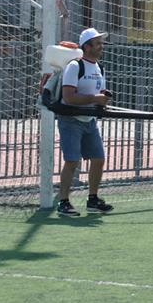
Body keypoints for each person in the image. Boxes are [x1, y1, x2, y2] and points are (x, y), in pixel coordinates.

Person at [55, 28, 114, 217]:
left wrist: (102, 100)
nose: (101, 46)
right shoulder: (75, 66)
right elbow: (69, 97)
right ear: (87, 47)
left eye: (101, 43)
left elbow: (99, 93)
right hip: (71, 121)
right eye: (97, 43)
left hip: (89, 121)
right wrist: (95, 99)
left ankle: (92, 200)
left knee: (98, 159)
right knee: (72, 161)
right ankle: (63, 202)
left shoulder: (99, 68)